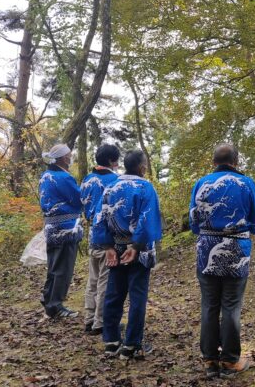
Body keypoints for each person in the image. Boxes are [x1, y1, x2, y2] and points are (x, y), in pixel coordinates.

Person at [189, 143, 255, 379]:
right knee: (231, 305)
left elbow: (193, 219)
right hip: (237, 251)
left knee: (209, 305)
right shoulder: (246, 183)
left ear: (214, 162)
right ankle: (230, 361)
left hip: (206, 249)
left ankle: (210, 360)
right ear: (236, 161)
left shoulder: (201, 184)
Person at [92, 150, 162, 359]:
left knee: (114, 294)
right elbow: (149, 218)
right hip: (137, 250)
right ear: (141, 167)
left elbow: (99, 217)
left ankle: (111, 341)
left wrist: (107, 247)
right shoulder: (145, 187)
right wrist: (137, 245)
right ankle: (132, 344)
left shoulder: (110, 187)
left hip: (116, 248)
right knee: (137, 296)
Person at [39, 143, 83, 319]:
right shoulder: (64, 178)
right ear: (64, 158)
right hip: (65, 227)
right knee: (63, 268)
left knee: (54, 266)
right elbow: (79, 199)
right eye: (69, 155)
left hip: (51, 226)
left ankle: (48, 298)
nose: (71, 157)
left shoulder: (46, 176)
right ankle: (55, 305)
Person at [80, 144, 120, 335]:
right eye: (117, 160)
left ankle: (88, 318)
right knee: (106, 279)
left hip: (91, 234)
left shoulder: (87, 180)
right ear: (112, 161)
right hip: (108, 236)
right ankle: (100, 322)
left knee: (93, 279)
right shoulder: (115, 181)